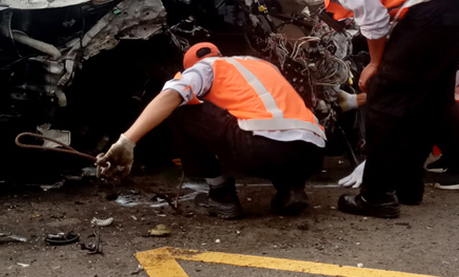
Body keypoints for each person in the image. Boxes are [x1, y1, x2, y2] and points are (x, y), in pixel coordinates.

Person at [276, 0, 459, 219]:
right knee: (431, 98)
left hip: (436, 7)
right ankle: (408, 186)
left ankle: (376, 196)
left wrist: (375, 64)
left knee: (384, 97)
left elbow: (371, 15)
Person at [95, 42, 326, 219]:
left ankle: (221, 195)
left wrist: (127, 141)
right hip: (314, 153)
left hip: (261, 150)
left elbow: (171, 96)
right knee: (271, 123)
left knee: (180, 107)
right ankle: (290, 189)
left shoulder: (204, 67)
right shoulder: (262, 65)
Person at [336, 44, 459, 191]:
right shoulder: (441, 43)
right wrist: (355, 101)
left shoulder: (449, 54)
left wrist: (377, 158)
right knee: (432, 105)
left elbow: (411, 102)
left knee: (430, 107)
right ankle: (454, 155)